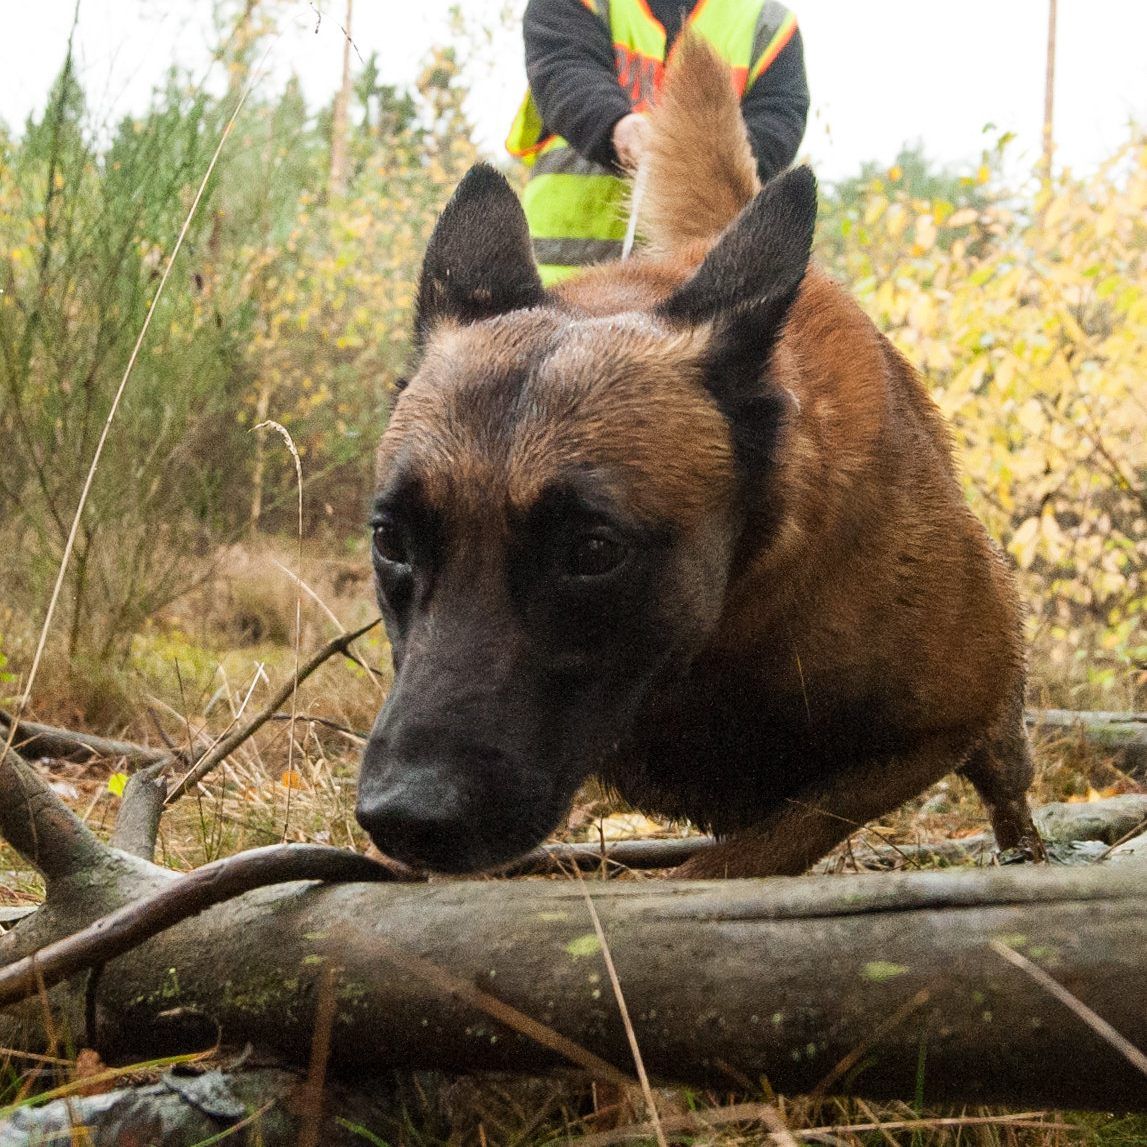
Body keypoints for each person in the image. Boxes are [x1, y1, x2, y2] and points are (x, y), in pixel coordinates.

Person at [507, 0, 810, 283]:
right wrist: (617, 127)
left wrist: (704, 162)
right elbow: (564, 69)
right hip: (563, 279)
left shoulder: (768, 23)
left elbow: (780, 117)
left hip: (691, 286)